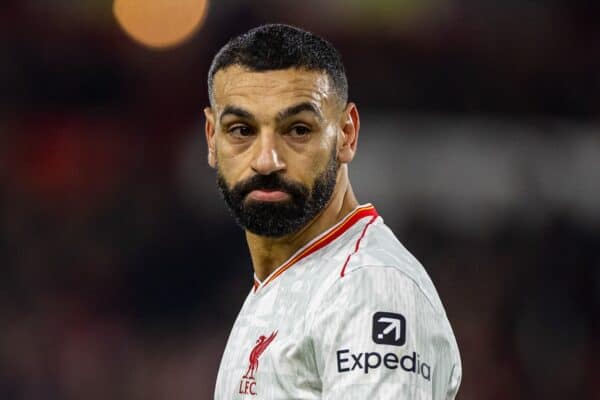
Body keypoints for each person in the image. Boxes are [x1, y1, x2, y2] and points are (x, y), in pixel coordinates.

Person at [205, 24, 462, 399]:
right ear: (212, 137)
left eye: (297, 130)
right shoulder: (289, 282)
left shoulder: (369, 287)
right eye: (241, 130)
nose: (266, 161)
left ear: (347, 134)